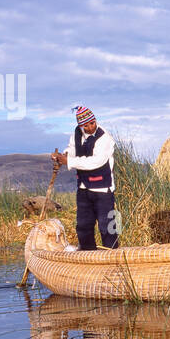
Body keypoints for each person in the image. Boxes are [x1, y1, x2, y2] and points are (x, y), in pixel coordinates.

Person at [53, 105, 118, 252]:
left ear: (95, 120)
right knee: (83, 226)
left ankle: (113, 256)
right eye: (86, 125)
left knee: (108, 226)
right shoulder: (77, 133)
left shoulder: (105, 138)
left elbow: (96, 162)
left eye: (92, 123)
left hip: (103, 189)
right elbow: (72, 149)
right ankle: (87, 256)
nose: (90, 127)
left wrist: (69, 162)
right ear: (80, 125)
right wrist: (64, 156)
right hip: (83, 188)